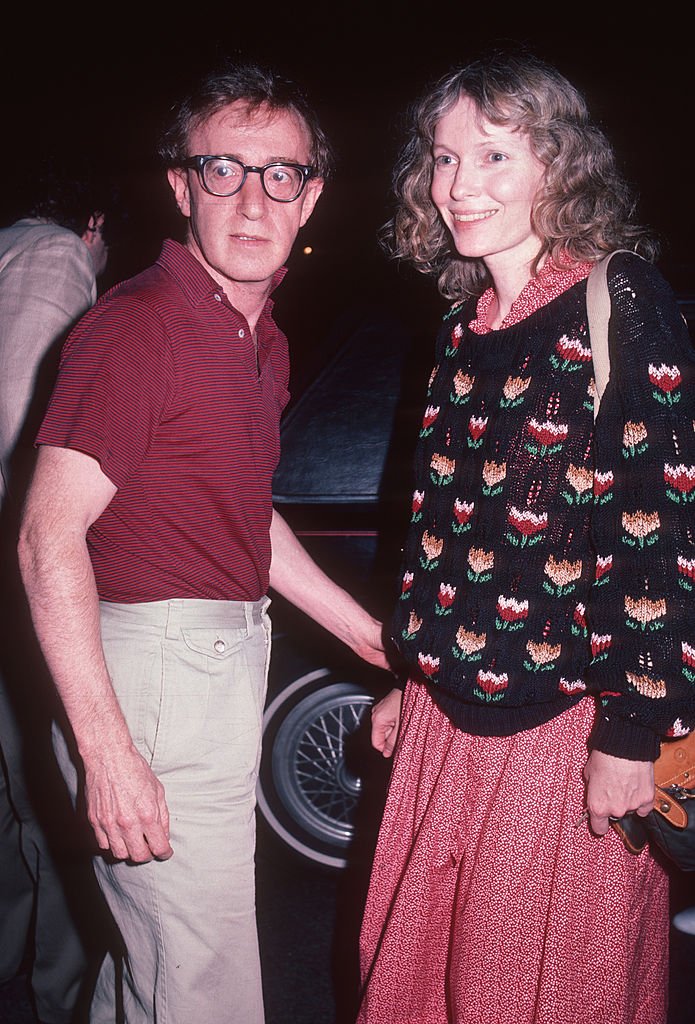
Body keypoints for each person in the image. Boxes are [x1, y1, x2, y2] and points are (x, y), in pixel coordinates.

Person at [17, 63, 387, 1024]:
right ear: (181, 187)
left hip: (212, 668)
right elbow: (46, 535)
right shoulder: (140, 327)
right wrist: (106, 752)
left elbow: (241, 516)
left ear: (310, 197)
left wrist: (369, 641)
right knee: (207, 989)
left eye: (280, 175)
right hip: (148, 686)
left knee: (151, 971)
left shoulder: (258, 340)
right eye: (223, 169)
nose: (252, 198)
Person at [357, 52, 695, 1024]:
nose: (458, 186)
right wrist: (409, 672)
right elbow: (445, 537)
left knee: (534, 993)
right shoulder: (464, 327)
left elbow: (660, 529)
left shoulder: (618, 300)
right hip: (439, 726)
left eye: (495, 156)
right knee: (419, 985)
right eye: (443, 157)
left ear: (557, 164)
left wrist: (632, 731)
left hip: (559, 732)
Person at [0, 168, 114, 1024]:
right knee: (54, 789)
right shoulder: (57, 257)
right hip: (16, 567)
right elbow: (22, 425)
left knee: (12, 786)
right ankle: (56, 992)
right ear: (94, 222)